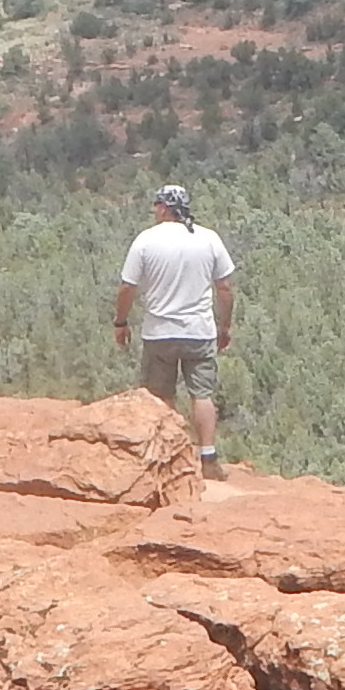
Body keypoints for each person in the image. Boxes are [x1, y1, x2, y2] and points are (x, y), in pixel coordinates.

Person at [112, 182, 238, 473]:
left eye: (156, 205)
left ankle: (168, 459)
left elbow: (127, 288)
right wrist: (225, 326)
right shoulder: (208, 238)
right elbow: (225, 288)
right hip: (199, 331)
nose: (154, 211)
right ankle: (208, 458)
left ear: (163, 208)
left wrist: (121, 322)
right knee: (202, 395)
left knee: (161, 396)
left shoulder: (146, 240)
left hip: (159, 333)